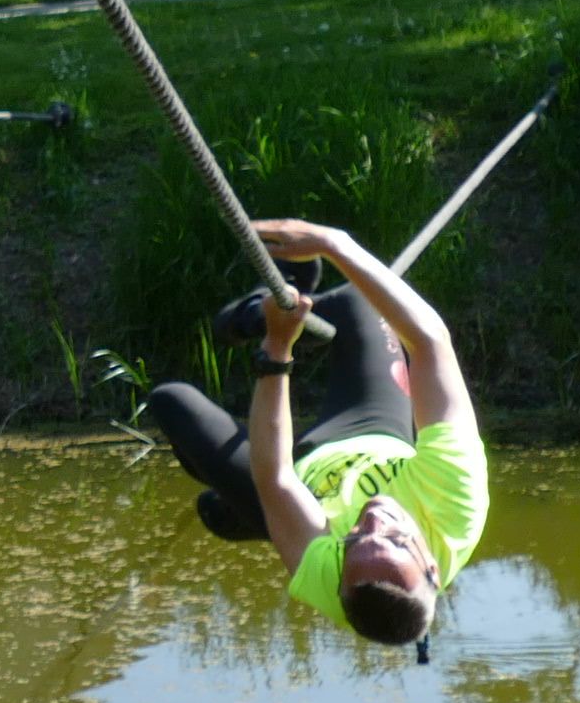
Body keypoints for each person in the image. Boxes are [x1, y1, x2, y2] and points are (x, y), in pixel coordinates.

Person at [141, 218, 486, 655]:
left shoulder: (327, 577)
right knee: (361, 300)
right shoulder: (456, 500)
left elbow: (276, 476)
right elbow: (430, 342)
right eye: (397, 538)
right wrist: (334, 243)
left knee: (172, 401)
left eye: (355, 536)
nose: (374, 516)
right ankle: (275, 300)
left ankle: (260, 516)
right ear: (432, 567)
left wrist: (277, 348)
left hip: (301, 482)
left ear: (339, 571)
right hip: (371, 431)